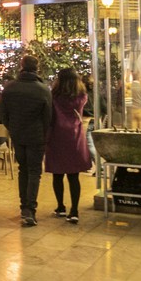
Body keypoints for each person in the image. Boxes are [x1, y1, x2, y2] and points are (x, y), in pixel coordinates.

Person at [0, 54, 53, 227]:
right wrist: (43, 134)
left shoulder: (10, 88)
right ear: (37, 68)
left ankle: (24, 207)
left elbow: (3, 114)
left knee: (23, 170)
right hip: (36, 136)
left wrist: (13, 129)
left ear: (21, 66)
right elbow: (48, 117)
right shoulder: (43, 90)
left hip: (18, 135)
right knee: (34, 171)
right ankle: (30, 208)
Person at [45, 68, 91, 224]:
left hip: (57, 136)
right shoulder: (81, 97)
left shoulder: (54, 97)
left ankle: (60, 207)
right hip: (74, 137)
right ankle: (75, 210)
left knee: (57, 175)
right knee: (74, 176)